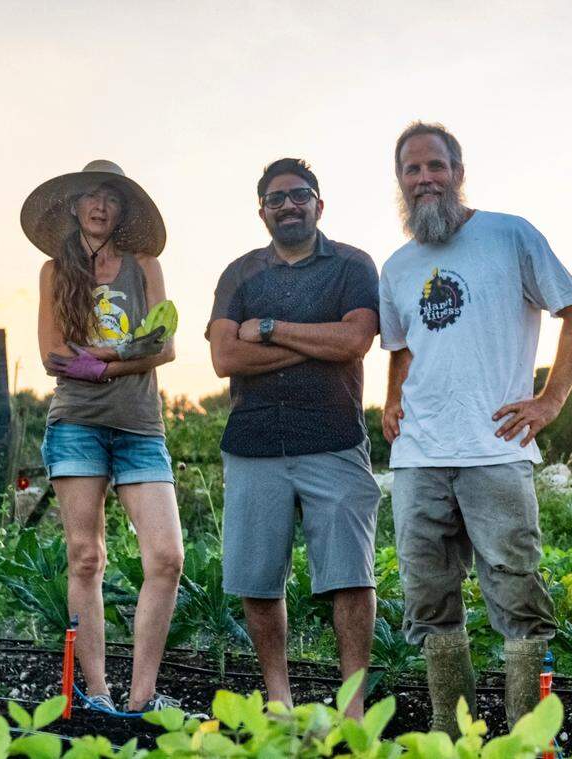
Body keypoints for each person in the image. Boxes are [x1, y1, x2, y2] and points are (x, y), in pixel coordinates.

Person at [378, 123, 572, 733]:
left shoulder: (509, 235)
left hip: (495, 449)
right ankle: (455, 738)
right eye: (412, 170)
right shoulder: (397, 266)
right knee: (429, 601)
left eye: (435, 166)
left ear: (458, 172)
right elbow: (401, 346)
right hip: (419, 456)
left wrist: (551, 400)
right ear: (399, 182)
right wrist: (391, 401)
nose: (425, 179)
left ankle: (525, 738)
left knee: (517, 595)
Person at [206, 158, 381, 718]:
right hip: (254, 441)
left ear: (319, 205)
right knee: (259, 581)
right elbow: (224, 356)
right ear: (262, 212)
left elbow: (354, 340)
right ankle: (278, 702)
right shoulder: (238, 274)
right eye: (276, 198)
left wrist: (271, 329)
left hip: (333, 437)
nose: (289, 205)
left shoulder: (353, 265)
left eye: (299, 195)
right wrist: (312, 342)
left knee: (351, 578)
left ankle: (352, 709)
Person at [22, 159, 183, 713]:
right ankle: (97, 695)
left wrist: (104, 357)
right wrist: (127, 355)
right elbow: (53, 356)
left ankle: (141, 700)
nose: (99, 207)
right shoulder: (54, 272)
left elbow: (164, 345)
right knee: (86, 557)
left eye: (110, 199)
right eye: (90, 197)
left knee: (166, 557)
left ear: (121, 211)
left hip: (140, 427)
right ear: (73, 206)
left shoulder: (145, 264)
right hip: (77, 427)